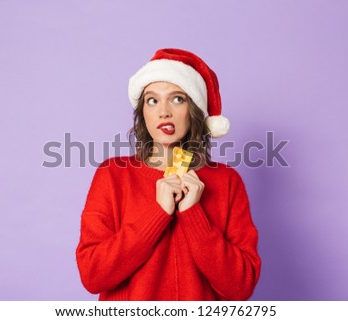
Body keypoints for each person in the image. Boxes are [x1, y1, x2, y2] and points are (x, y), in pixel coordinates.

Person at [76, 48, 261, 300]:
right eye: (152, 100)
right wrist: (158, 214)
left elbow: (240, 287)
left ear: (193, 109)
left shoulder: (227, 182)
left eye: (177, 99)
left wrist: (193, 214)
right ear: (143, 112)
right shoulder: (112, 176)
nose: (164, 111)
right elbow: (92, 275)